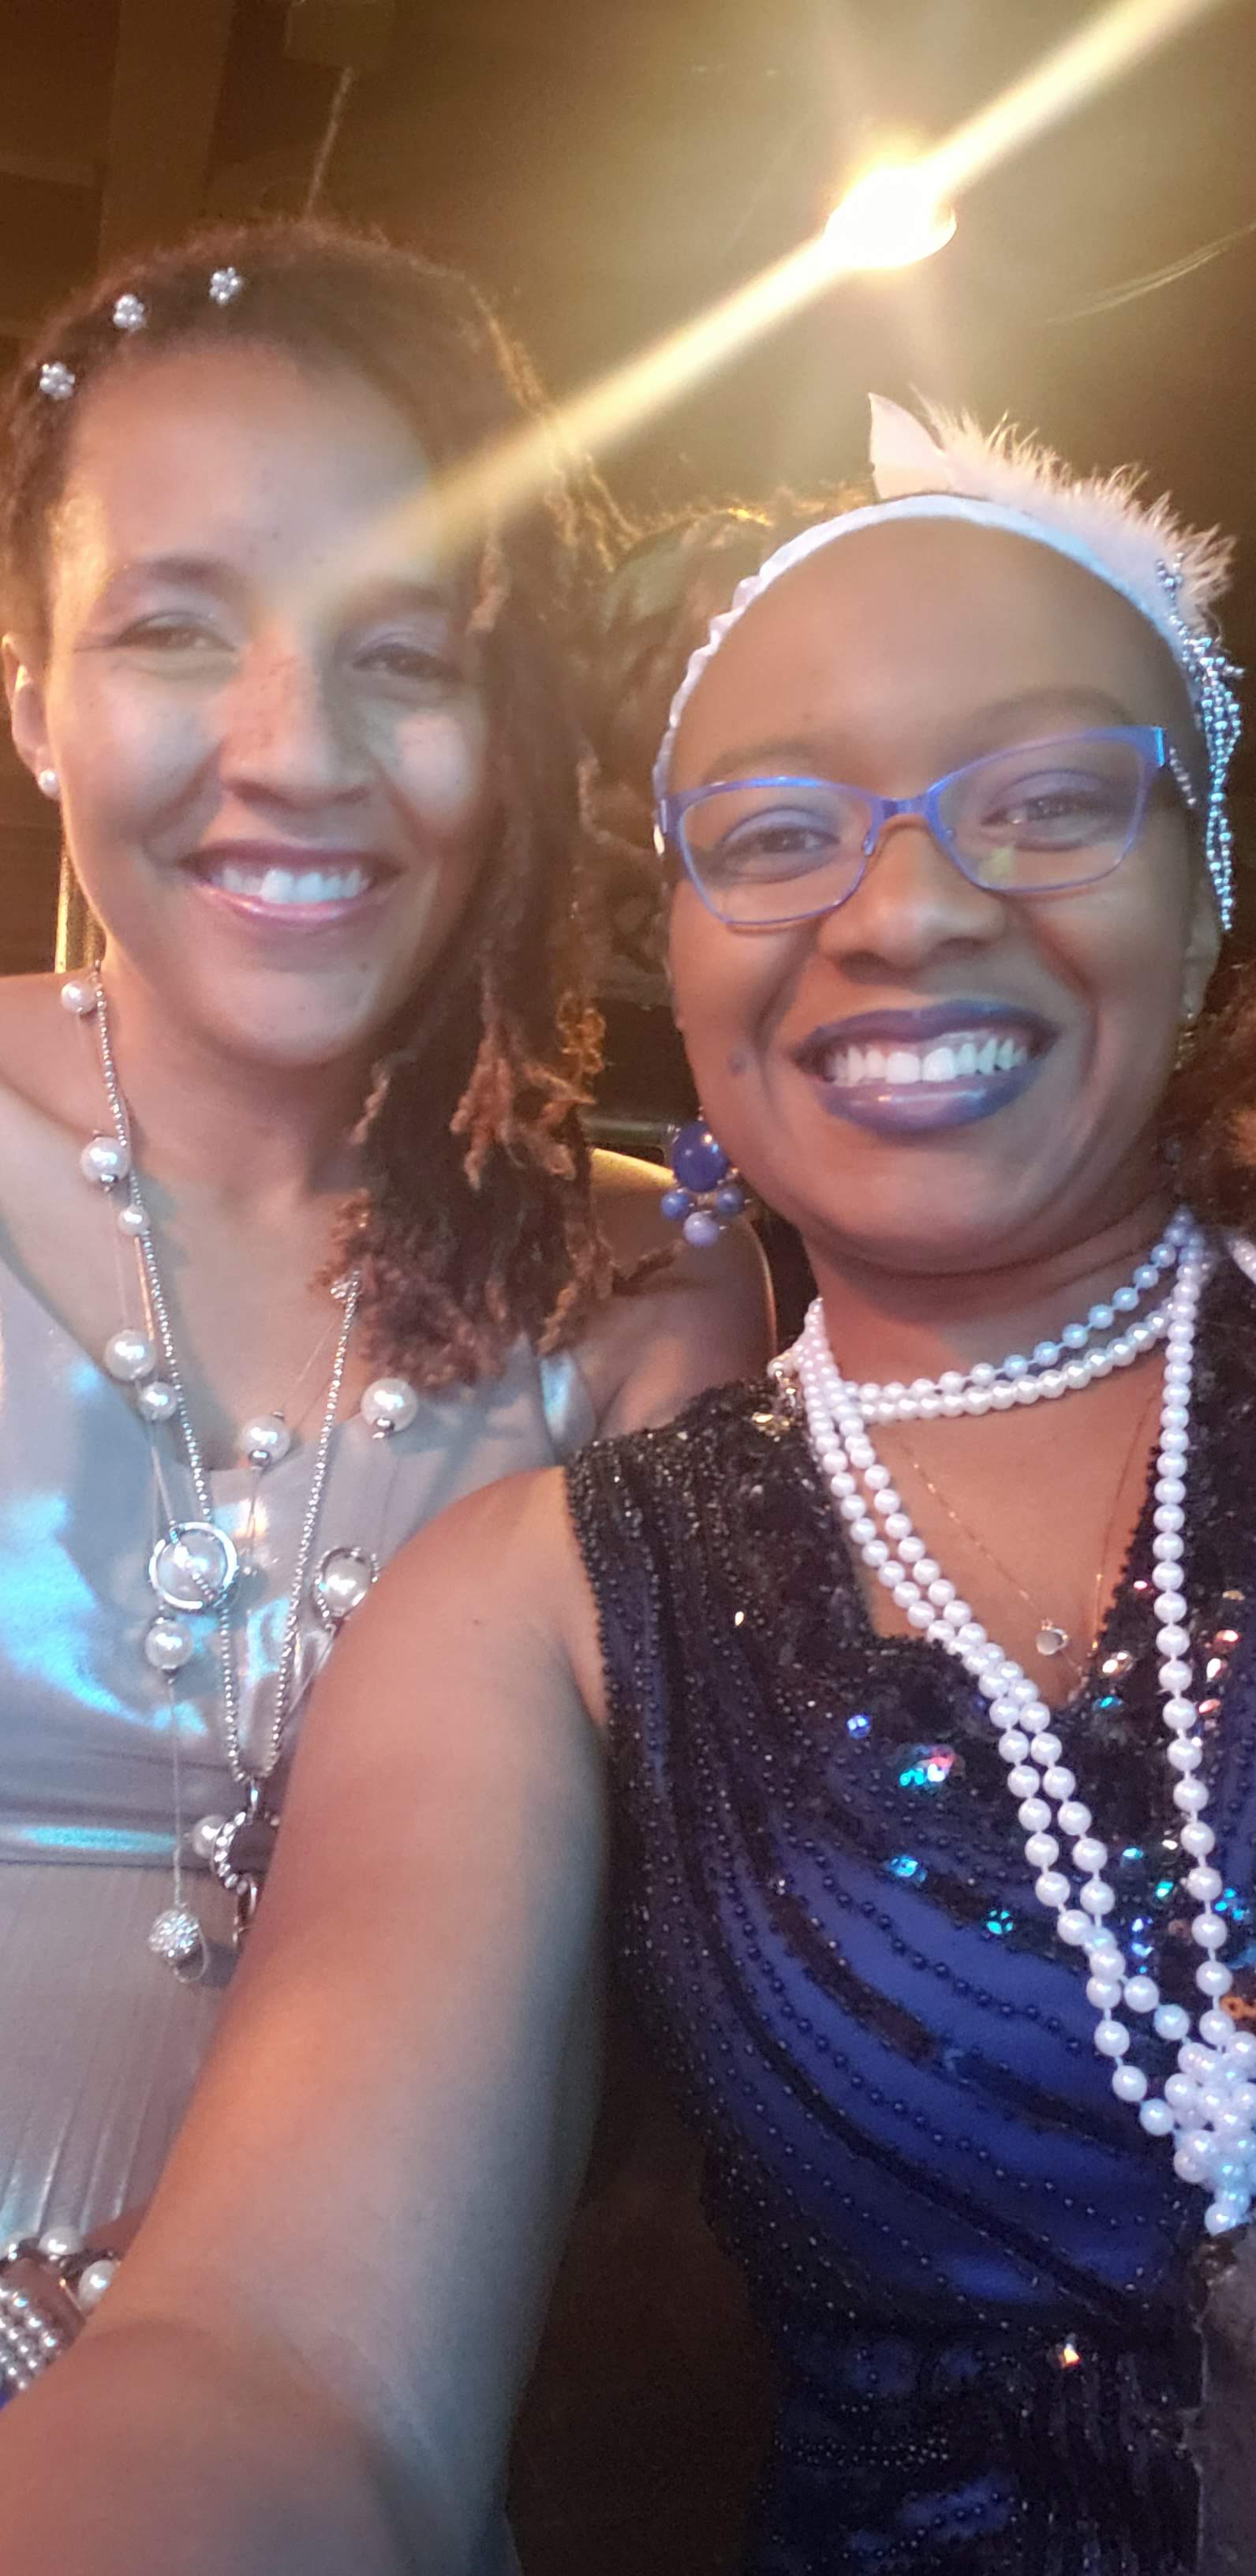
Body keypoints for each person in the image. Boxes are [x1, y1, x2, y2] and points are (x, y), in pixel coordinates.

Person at [2, 392, 1252, 2576]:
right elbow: (281, 2362)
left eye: (1050, 802)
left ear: (1208, 872)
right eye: (774, 834)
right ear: (668, 930)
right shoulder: (564, 1587)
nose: (906, 909)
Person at [0, 217, 769, 2285]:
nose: (299, 751)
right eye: (176, 631)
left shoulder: (654, 1288)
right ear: (33, 695)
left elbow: (643, 2054)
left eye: (406, 656)